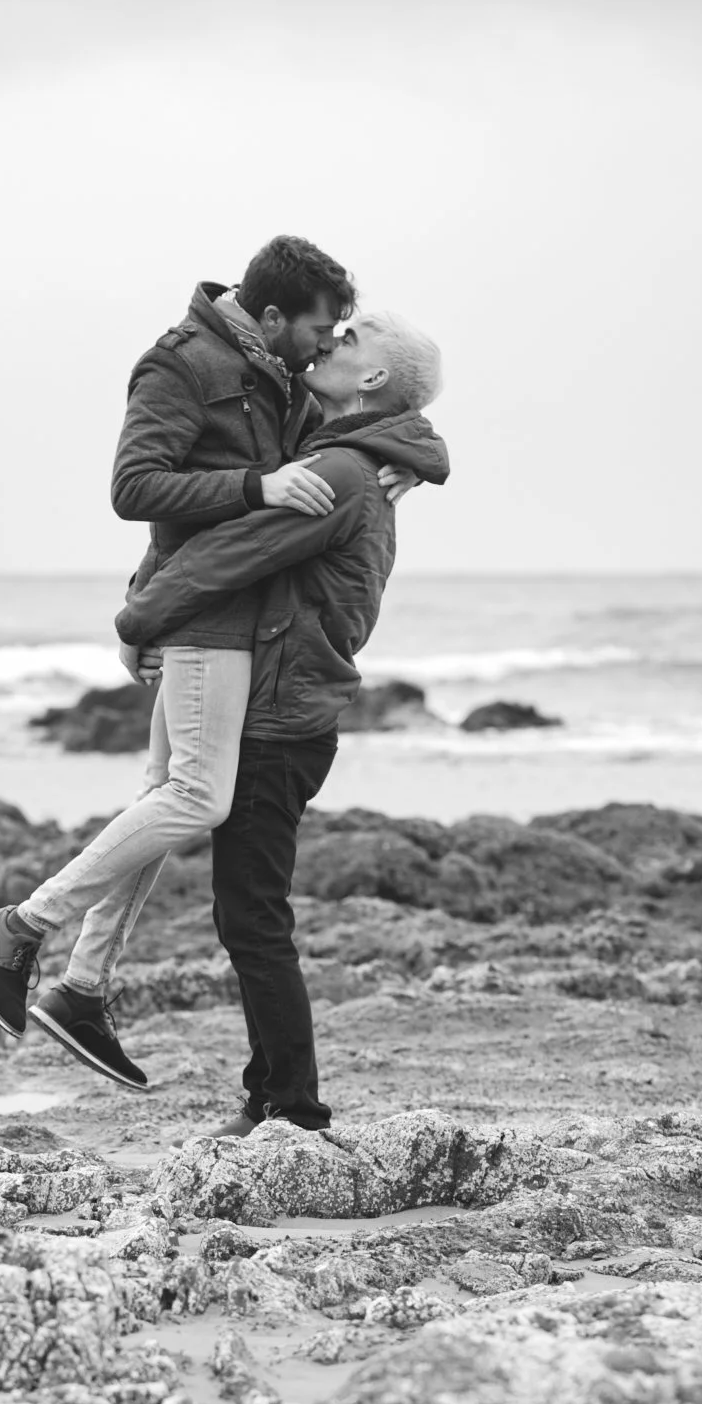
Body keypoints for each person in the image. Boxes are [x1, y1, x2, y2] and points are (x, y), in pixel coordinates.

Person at [0, 234, 357, 1081]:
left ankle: (80, 987)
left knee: (162, 798)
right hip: (208, 621)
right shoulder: (180, 366)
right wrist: (252, 492)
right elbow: (135, 489)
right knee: (199, 799)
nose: (327, 346)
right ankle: (23, 927)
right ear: (268, 316)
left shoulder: (277, 375)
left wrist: (145, 605)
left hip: (220, 616)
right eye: (321, 331)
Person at [114, 308, 447, 1131]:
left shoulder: (336, 470)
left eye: (353, 338)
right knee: (247, 915)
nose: (332, 341)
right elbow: (411, 435)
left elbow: (229, 555)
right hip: (289, 707)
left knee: (254, 920)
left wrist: (137, 619)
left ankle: (291, 1107)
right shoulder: (342, 454)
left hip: (279, 715)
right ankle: (269, 1093)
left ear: (372, 378)